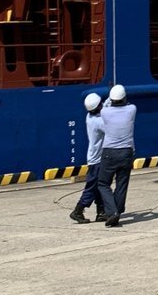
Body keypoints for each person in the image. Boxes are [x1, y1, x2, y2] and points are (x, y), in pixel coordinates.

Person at [97, 84, 137, 226]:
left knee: (103, 183)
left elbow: (106, 104)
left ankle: (112, 211)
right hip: (127, 152)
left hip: (110, 152)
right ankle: (117, 212)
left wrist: (109, 95)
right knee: (122, 184)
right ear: (124, 97)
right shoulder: (132, 110)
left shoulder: (105, 113)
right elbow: (126, 102)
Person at [70, 93, 106, 224]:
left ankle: (101, 212)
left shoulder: (89, 117)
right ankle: (78, 211)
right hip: (97, 160)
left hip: (94, 158)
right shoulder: (98, 122)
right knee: (92, 187)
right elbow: (111, 127)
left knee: (99, 186)